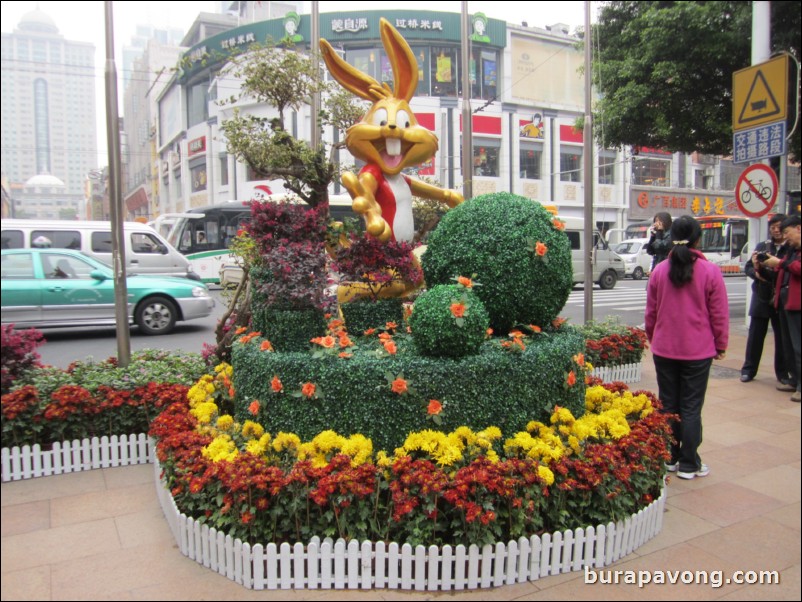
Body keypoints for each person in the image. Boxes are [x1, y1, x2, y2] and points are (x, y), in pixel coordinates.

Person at [645, 215, 729, 480]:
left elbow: (651, 313)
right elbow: (719, 313)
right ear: (698, 238)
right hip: (698, 351)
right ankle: (690, 463)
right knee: (691, 406)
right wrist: (721, 342)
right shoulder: (710, 271)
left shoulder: (659, 271)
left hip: (665, 349)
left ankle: (669, 457)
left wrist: (653, 337)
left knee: (668, 404)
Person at [740, 214, 791, 385]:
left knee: (781, 337)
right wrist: (755, 272)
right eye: (773, 226)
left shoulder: (790, 248)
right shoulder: (763, 246)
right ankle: (748, 370)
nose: (776, 230)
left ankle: (783, 373)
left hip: (780, 297)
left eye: (779, 226)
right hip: (761, 295)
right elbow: (748, 267)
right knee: (755, 335)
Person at [762, 215, 801, 403]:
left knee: (799, 346)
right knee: (788, 345)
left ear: (799, 228)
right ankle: (794, 380)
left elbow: (796, 268)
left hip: (798, 304)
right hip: (785, 302)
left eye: (787, 232)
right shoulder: (791, 249)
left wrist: (780, 263)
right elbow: (782, 268)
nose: (786, 237)